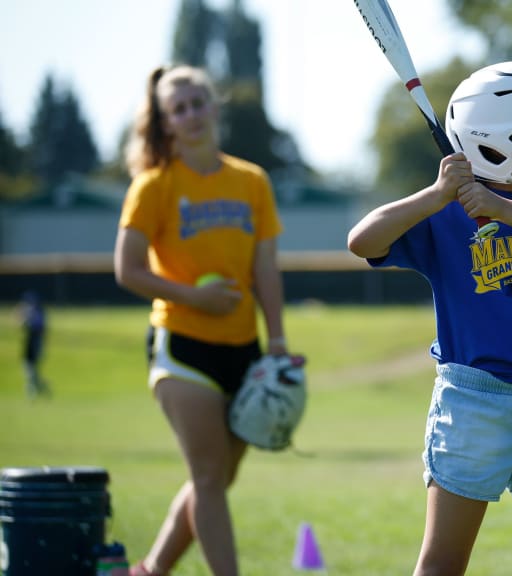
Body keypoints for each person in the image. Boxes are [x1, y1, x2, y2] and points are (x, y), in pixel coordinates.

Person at [347, 60, 512, 576]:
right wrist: (437, 195)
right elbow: (363, 240)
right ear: (497, 141)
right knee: (444, 560)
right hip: (473, 403)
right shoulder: (445, 214)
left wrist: (501, 206)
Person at [113, 64, 290, 576]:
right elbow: (126, 269)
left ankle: (149, 571)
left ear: (215, 107)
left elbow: (265, 269)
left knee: (213, 478)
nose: (191, 115)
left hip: (244, 349)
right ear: (166, 123)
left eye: (197, 103)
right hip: (182, 346)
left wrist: (276, 339)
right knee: (209, 478)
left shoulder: (251, 181)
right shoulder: (154, 185)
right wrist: (193, 296)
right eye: (178, 109)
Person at [17, 290, 50, 398]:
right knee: (29, 371)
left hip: (35, 344)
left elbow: (40, 329)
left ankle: (32, 394)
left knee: (31, 371)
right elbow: (21, 325)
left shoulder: (39, 313)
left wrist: (27, 317)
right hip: (29, 344)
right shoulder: (29, 313)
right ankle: (42, 387)